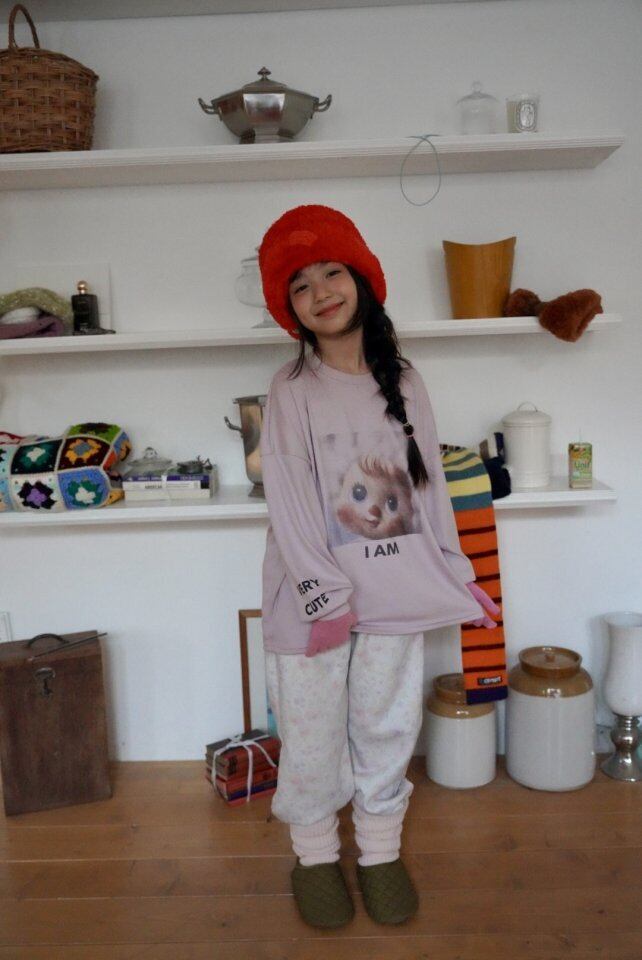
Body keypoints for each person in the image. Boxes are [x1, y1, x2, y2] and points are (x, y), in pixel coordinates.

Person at [257, 204, 501, 929]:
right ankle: (314, 858)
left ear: (361, 278)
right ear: (290, 308)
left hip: (396, 594)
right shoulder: (290, 387)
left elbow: (429, 493)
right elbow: (289, 500)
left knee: (386, 727)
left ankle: (380, 853)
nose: (320, 292)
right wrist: (324, 596)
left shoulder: (409, 380)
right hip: (314, 602)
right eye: (300, 285)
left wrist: (457, 574)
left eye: (331, 272)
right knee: (311, 738)